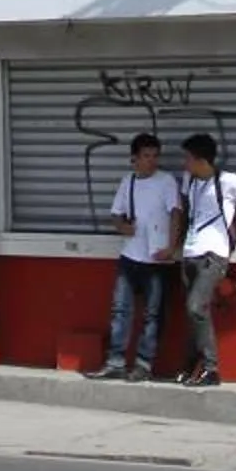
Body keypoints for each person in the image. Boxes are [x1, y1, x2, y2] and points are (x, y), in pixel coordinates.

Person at [175, 134, 236, 387]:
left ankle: (211, 369)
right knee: (193, 312)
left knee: (196, 307)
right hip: (189, 253)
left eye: (188, 158)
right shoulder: (190, 181)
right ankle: (190, 366)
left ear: (201, 160)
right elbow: (187, 213)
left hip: (213, 254)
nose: (184, 163)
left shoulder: (227, 181)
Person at [89, 133, 182, 381]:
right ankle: (115, 361)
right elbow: (116, 213)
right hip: (130, 255)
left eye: (154, 156)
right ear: (134, 158)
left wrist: (172, 247)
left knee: (153, 314)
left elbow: (176, 213)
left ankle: (143, 363)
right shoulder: (127, 181)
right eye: (145, 156)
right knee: (120, 310)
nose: (151, 161)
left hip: (157, 258)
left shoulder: (166, 182)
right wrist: (122, 227)